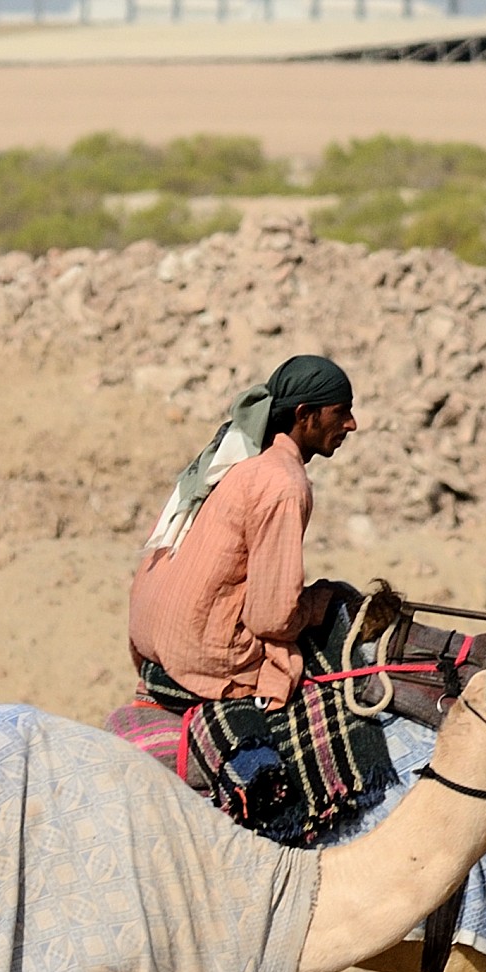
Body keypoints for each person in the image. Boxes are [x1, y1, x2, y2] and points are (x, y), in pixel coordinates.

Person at [126, 355, 385, 842]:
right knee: (335, 632)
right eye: (341, 411)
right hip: (203, 654)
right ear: (306, 415)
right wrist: (323, 602)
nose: (351, 424)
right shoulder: (284, 482)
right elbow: (271, 617)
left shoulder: (239, 461)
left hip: (154, 643)